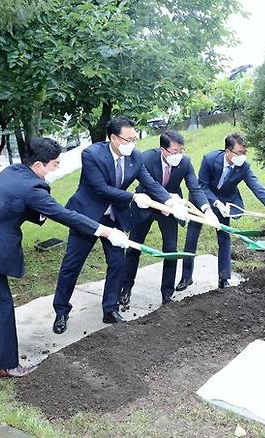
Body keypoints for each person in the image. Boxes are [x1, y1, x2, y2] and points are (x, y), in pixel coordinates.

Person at [0, 137, 129, 378]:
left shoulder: (13, 172)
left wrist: (39, 214)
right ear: (39, 165)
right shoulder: (32, 187)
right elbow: (64, 214)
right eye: (55, 163)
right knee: (1, 306)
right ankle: (6, 365)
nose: (58, 167)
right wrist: (106, 231)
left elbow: (14, 203)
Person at [52, 117, 188, 334]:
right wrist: (133, 197)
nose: (133, 143)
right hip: (87, 215)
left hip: (114, 217)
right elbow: (100, 188)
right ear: (114, 138)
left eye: (134, 138)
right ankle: (61, 311)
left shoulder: (134, 155)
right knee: (72, 264)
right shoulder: (91, 155)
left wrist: (170, 202)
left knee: (117, 263)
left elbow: (150, 182)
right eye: (129, 139)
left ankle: (110, 309)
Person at [176, 133, 265, 290]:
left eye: (244, 152)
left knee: (224, 238)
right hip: (202, 201)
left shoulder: (244, 166)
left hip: (226, 204)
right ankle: (186, 277)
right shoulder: (210, 159)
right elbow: (201, 185)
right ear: (227, 151)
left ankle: (224, 278)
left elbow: (257, 187)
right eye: (238, 153)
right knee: (191, 238)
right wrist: (215, 204)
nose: (242, 156)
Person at [120, 130, 219, 307]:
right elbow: (150, 184)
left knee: (171, 250)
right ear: (163, 150)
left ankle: (167, 294)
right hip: (146, 204)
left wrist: (207, 210)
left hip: (172, 210)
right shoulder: (146, 158)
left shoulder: (186, 162)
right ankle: (126, 288)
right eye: (175, 151)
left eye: (181, 150)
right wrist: (168, 200)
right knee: (134, 247)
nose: (178, 155)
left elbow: (195, 188)